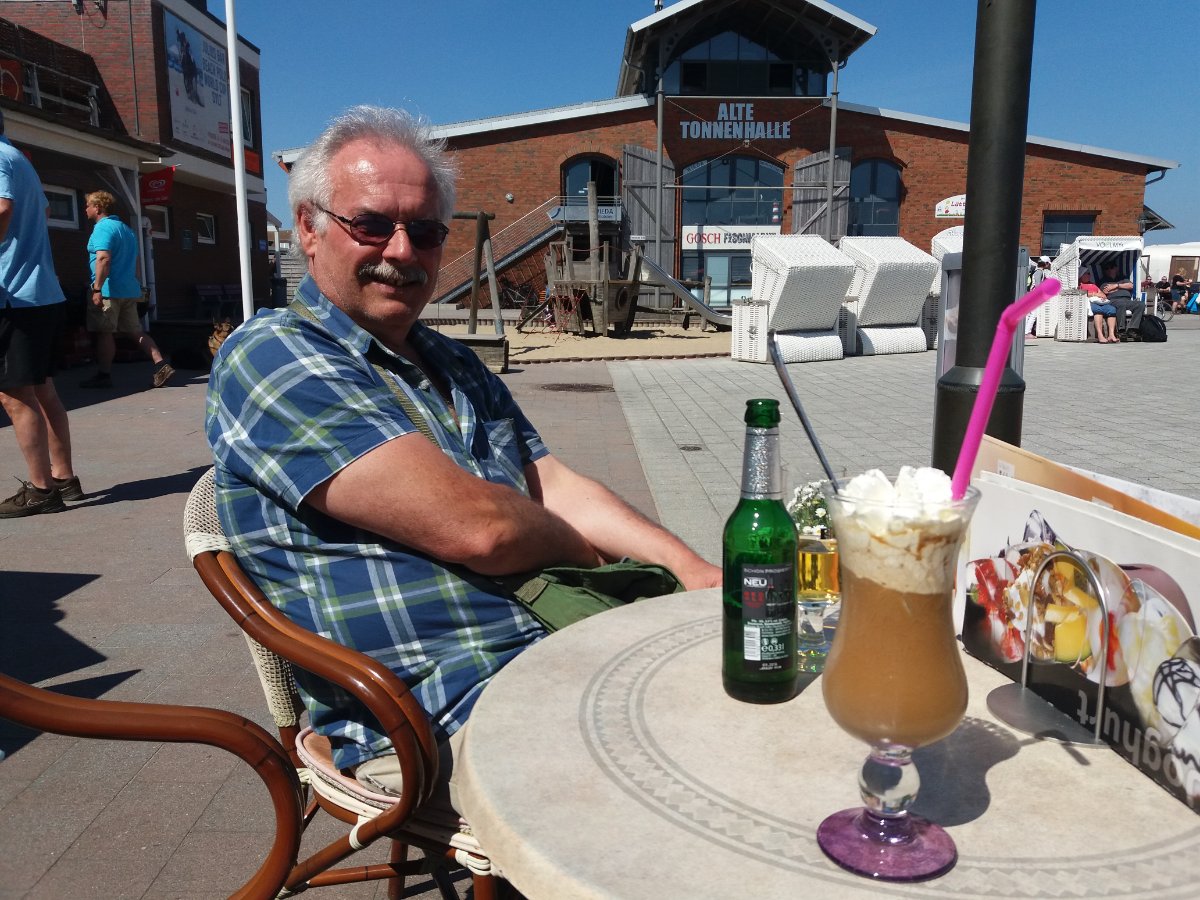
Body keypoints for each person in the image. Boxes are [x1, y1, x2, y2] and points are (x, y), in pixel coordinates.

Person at [206, 106, 721, 802]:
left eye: (423, 232)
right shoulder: (274, 354)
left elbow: (552, 483)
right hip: (439, 709)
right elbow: (482, 530)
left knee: (771, 690)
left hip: (555, 647)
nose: (400, 251)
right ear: (308, 226)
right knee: (716, 769)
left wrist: (691, 570)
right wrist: (590, 556)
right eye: (371, 225)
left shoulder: (449, 359)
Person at [0, 109, 82, 517]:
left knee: (14, 394)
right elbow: (43, 212)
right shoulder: (18, 159)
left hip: (15, 297)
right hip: (42, 293)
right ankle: (64, 479)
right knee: (42, 388)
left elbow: (2, 209)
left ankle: (41, 490)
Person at [79, 191, 174, 389]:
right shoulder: (126, 230)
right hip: (129, 289)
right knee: (134, 330)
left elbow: (103, 258)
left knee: (105, 332)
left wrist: (97, 289)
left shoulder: (102, 228)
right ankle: (161, 364)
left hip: (108, 290)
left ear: (98, 207)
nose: (85, 209)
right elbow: (136, 262)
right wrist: (136, 285)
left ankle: (103, 375)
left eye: (88, 205)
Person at [1098, 260, 1142, 340]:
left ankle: (1132, 329)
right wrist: (1123, 287)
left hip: (1127, 299)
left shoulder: (1123, 278)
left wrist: (1116, 286)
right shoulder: (1103, 280)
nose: (1109, 270)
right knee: (1121, 304)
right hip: (1113, 300)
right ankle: (1121, 330)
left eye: (1111, 267)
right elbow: (1106, 291)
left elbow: (1131, 286)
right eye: (1107, 268)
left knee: (1140, 304)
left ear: (1116, 268)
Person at [1079, 270, 1118, 343]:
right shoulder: (1079, 285)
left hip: (1100, 301)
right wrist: (1095, 294)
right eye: (1086, 274)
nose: (1089, 275)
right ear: (1081, 275)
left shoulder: (1093, 285)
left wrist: (1102, 296)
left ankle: (1111, 335)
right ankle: (1100, 335)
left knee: (1112, 310)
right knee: (1098, 310)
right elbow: (1081, 293)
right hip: (1090, 301)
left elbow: (1102, 294)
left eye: (1089, 273)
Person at [1026, 256, 1051, 336]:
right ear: (1046, 263)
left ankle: (1025, 331)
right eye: (1048, 263)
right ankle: (1027, 332)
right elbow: (1038, 285)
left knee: (1029, 314)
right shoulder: (1039, 272)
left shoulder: (1037, 271)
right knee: (1034, 314)